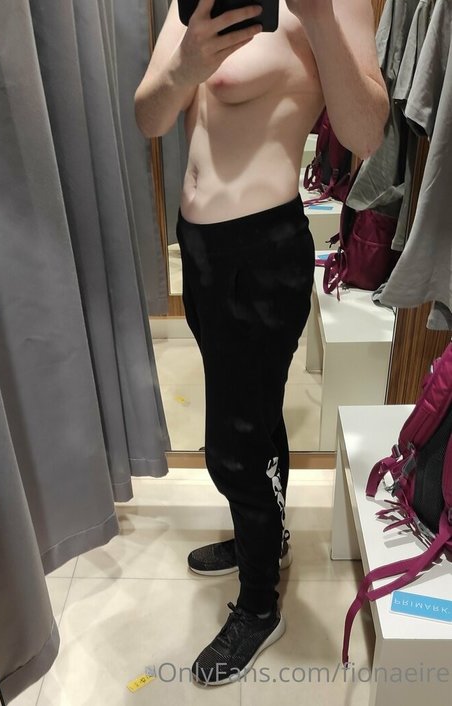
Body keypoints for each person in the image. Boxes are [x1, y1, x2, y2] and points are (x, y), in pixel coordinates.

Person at [135, 0, 389, 686]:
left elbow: (367, 135)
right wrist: (186, 63)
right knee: (253, 420)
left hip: (261, 256)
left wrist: (320, 18)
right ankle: (265, 540)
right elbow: (149, 117)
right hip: (200, 252)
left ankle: (258, 605)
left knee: (234, 447)